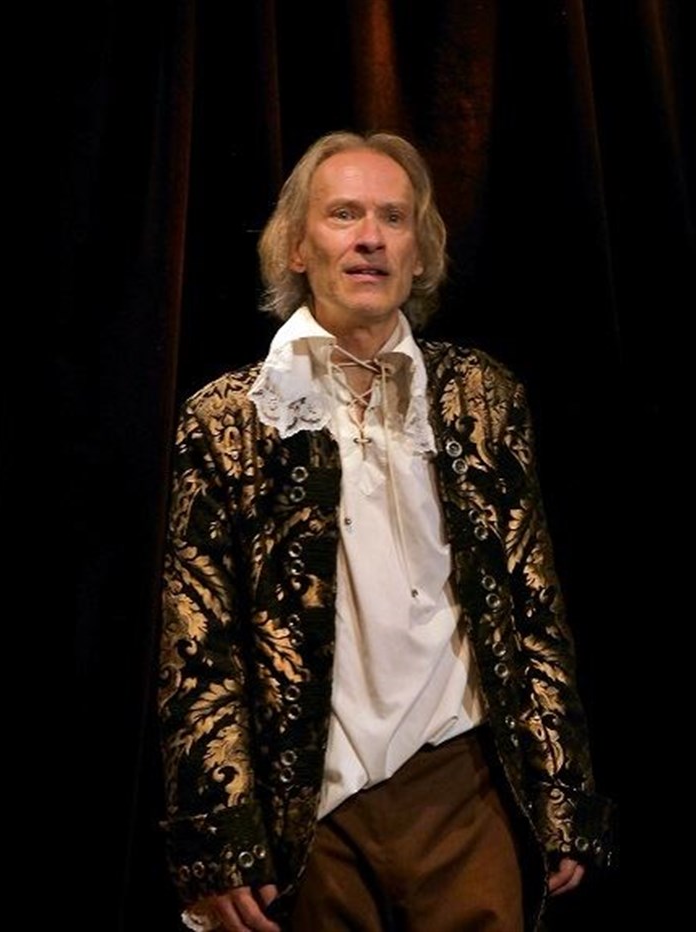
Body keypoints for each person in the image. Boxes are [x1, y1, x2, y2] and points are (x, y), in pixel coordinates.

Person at [158, 130, 616, 932]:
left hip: (465, 787)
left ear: (419, 251)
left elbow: (533, 606)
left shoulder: (479, 396)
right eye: (343, 214)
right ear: (298, 246)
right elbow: (199, 643)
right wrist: (221, 838)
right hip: (310, 807)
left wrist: (561, 790)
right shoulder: (229, 418)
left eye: (393, 218)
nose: (370, 237)